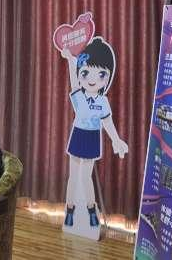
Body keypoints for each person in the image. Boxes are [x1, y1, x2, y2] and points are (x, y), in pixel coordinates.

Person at [60, 39, 128, 228]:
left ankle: (91, 210)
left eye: (100, 74)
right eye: (85, 72)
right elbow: (74, 83)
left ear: (107, 77)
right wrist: (70, 60)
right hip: (78, 135)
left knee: (85, 177)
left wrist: (116, 140)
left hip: (91, 138)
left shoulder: (103, 101)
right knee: (73, 177)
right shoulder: (79, 96)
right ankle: (70, 211)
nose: (92, 79)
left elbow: (107, 122)